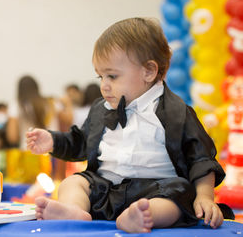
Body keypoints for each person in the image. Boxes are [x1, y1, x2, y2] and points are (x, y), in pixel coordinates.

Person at [26, 17, 233, 233]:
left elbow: (200, 159)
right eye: (101, 77)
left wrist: (205, 196)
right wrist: (52, 141)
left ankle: (144, 216)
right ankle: (75, 211)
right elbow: (80, 142)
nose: (104, 86)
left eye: (112, 76)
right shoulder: (101, 109)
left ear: (149, 72)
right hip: (106, 190)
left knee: (178, 194)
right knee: (74, 182)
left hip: (156, 189)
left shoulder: (176, 112)